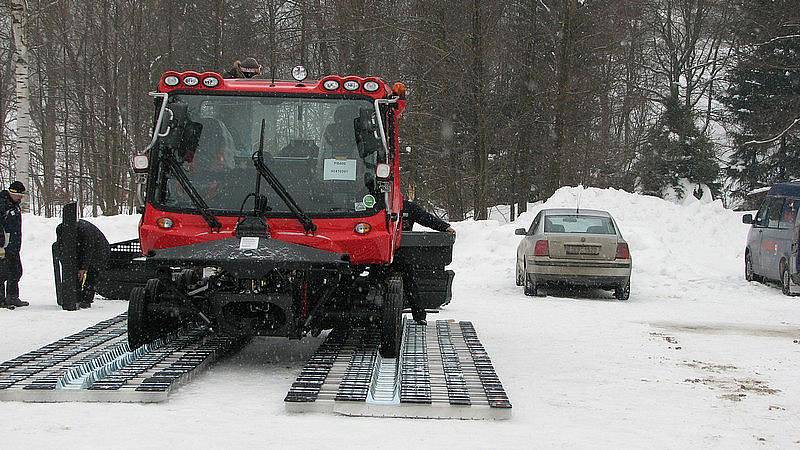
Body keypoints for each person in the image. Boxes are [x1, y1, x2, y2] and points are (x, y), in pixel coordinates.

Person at [400, 199, 456, 324]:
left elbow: (426, 218)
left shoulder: (406, 207)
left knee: (409, 283)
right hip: (380, 253)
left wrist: (444, 227)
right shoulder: (377, 205)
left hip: (401, 253)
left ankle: (419, 315)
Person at [55, 219, 111, 309]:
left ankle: (86, 300)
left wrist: (83, 268)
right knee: (75, 273)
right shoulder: (60, 229)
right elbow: (61, 249)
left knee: (92, 273)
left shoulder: (85, 231)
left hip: (99, 250)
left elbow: (88, 250)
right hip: (82, 248)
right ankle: (76, 297)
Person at [0, 181, 29, 309]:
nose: (20, 198)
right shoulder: (2, 204)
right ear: (12, 192)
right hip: (3, 246)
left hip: (13, 246)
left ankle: (12, 297)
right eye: (19, 195)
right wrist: (1, 245)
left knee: (16, 271)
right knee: (2, 273)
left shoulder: (15, 205)